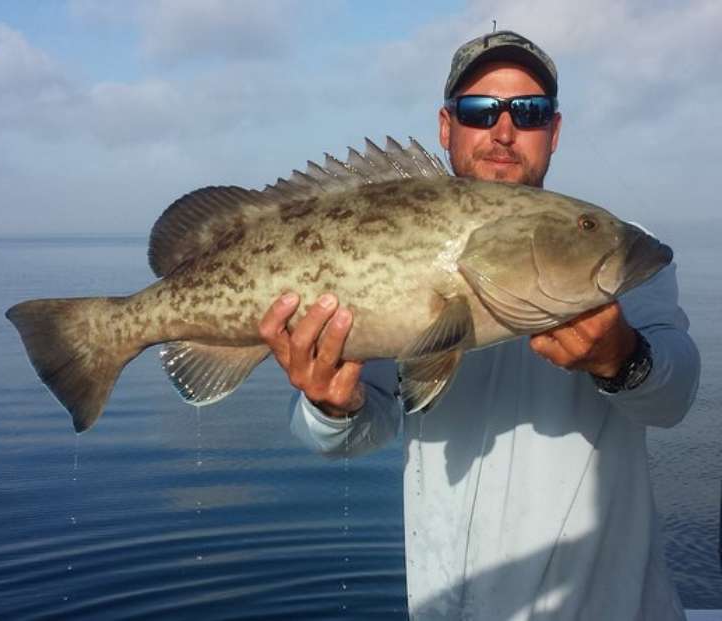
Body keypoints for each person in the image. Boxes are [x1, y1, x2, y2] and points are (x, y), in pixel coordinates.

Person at [258, 31, 701, 620]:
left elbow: (674, 396)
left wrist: (623, 359)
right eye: (479, 110)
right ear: (446, 127)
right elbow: (358, 427)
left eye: (530, 111)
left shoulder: (612, 251)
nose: (503, 129)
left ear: (554, 131)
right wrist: (330, 405)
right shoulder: (402, 226)